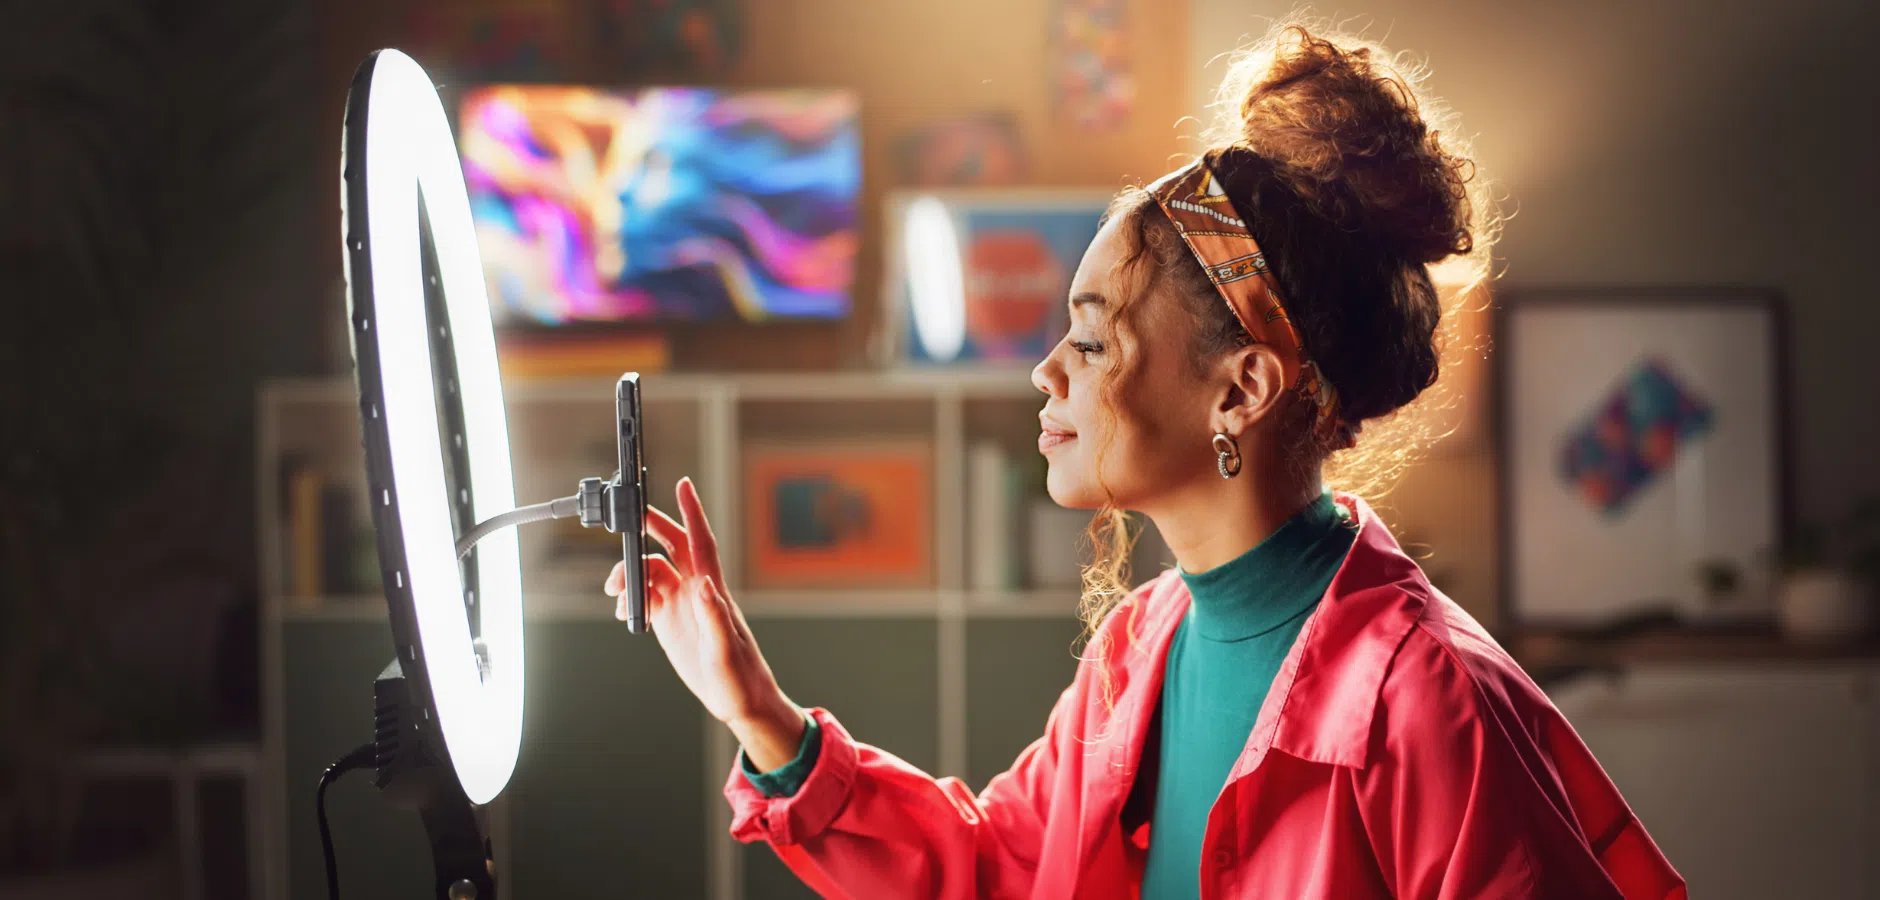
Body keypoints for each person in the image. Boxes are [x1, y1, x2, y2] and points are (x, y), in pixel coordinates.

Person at [603, 19, 1686, 900]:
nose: (1044, 373)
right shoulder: (1141, 646)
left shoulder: (1423, 699)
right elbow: (996, 873)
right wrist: (762, 715)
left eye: (1088, 337)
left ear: (1241, 388)